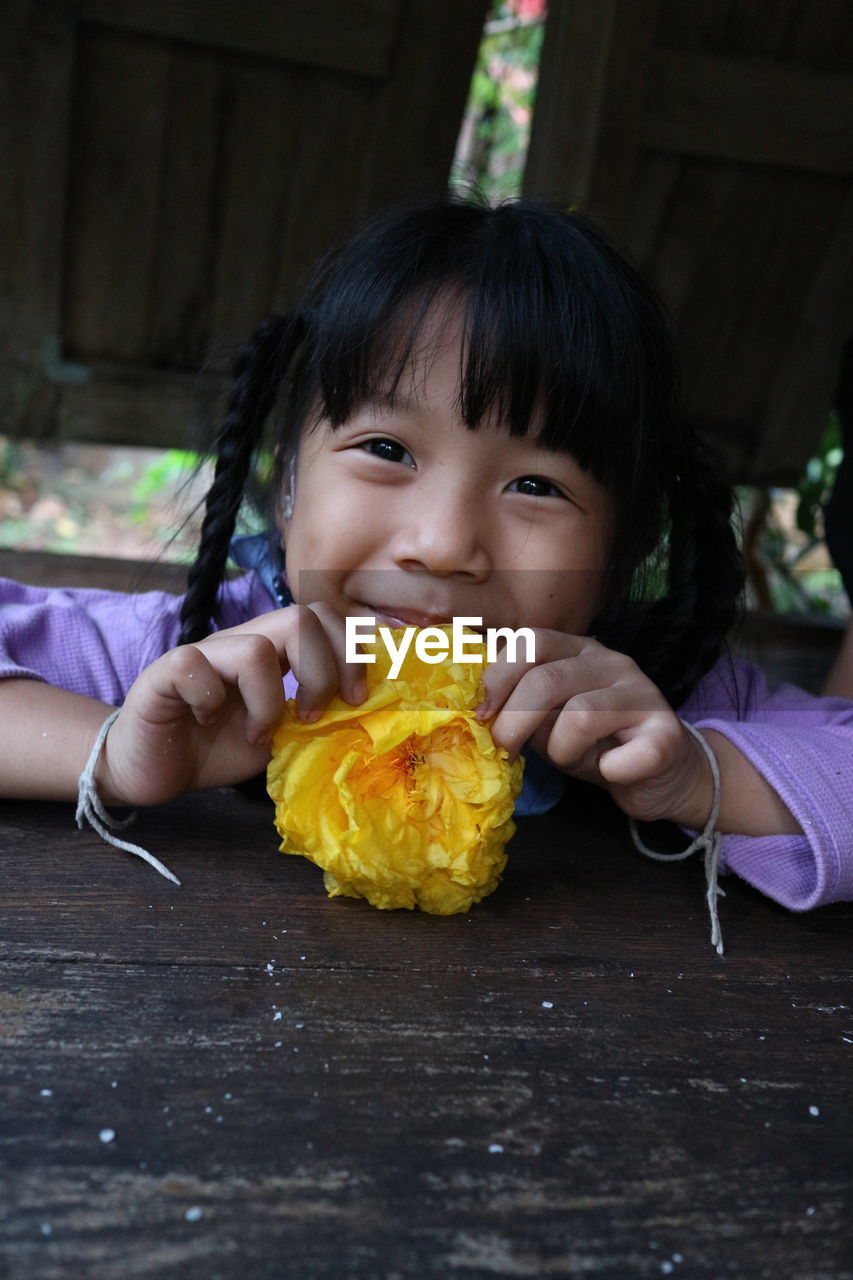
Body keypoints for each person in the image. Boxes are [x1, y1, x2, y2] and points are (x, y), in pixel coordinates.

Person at [2, 197, 852, 939]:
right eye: (385, 449)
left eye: (535, 485)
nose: (443, 544)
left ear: (616, 559)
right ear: (290, 486)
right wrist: (114, 751)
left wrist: (695, 776)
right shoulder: (203, 661)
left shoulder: (655, 699)